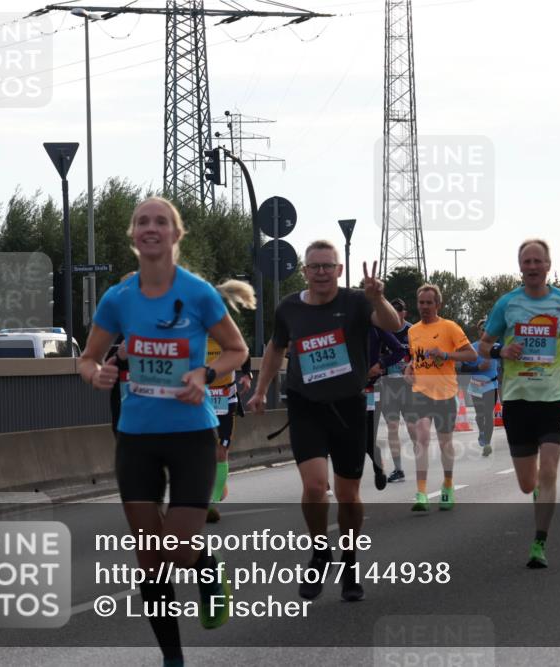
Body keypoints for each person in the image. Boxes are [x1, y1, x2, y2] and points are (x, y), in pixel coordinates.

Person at [80, 197, 251, 667]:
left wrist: (206, 375)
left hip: (191, 435)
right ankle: (172, 658)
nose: (150, 228)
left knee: (175, 544)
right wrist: (96, 374)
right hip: (135, 439)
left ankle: (207, 568)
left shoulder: (198, 294)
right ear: (133, 236)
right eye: (141, 222)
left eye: (160, 221)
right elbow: (87, 357)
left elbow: (237, 350)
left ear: (176, 235)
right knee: (149, 556)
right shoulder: (118, 299)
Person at [247, 242, 401, 602]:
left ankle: (350, 563)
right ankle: (320, 551)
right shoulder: (289, 307)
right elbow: (275, 349)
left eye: (327, 266)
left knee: (348, 496)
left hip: (348, 407)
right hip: (306, 407)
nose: (320, 273)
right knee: (316, 488)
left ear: (339, 270)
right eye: (313, 267)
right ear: (304, 271)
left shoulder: (357, 302)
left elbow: (392, 324)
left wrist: (377, 297)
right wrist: (260, 389)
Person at [479, 239, 560, 567]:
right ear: (520, 266)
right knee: (528, 483)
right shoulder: (507, 304)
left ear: (548, 265)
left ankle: (540, 542)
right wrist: (501, 351)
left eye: (538, 261)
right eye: (527, 261)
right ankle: (538, 489)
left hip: (553, 397)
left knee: (550, 471)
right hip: (517, 398)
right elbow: (483, 346)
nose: (533, 266)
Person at [404, 284, 477, 511]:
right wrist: (409, 367)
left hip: (445, 393)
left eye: (429, 303)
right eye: (421, 303)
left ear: (438, 305)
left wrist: (446, 355)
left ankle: (447, 485)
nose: (424, 307)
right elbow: (417, 357)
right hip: (421, 393)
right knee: (422, 436)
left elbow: (471, 355)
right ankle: (421, 492)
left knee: (445, 443)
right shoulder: (413, 331)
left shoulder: (450, 327)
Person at [205, 340, 254, 524]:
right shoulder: (195, 336)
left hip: (226, 398)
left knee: (221, 451)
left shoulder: (225, 334)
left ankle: (213, 502)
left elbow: (245, 351)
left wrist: (247, 375)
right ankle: (216, 483)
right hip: (203, 398)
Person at [380, 298, 418, 483]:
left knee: (412, 426)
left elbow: (420, 355)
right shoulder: (382, 330)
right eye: (392, 311)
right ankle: (398, 469)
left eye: (399, 311)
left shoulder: (412, 331)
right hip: (388, 383)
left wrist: (411, 366)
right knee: (392, 426)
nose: (395, 314)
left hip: (407, 384)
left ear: (405, 313)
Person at [366, 325, 405, 490]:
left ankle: (380, 468)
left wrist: (380, 364)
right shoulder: (339, 324)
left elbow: (400, 350)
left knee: (369, 437)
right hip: (346, 391)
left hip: (372, 389)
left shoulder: (374, 326)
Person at [462, 318, 501, 457]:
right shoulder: (472, 347)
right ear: (478, 332)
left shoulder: (496, 347)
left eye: (487, 329)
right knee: (480, 415)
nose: (484, 331)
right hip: (476, 384)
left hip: (491, 384)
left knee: (489, 415)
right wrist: (478, 367)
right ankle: (482, 433)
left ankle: (487, 443)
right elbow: (463, 367)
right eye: (482, 329)